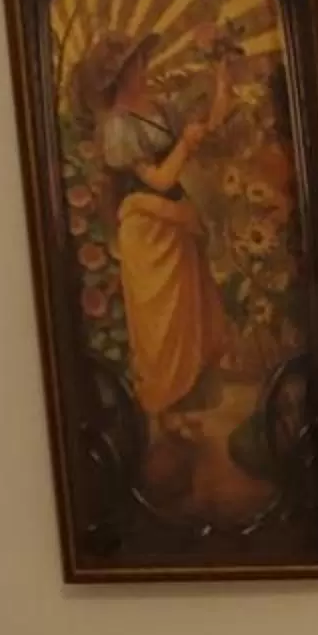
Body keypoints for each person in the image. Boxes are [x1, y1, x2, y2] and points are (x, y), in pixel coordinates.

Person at [82, 34, 234, 425]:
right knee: (160, 327)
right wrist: (185, 143)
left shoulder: (161, 109)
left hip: (175, 226)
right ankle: (163, 415)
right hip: (147, 232)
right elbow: (163, 179)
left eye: (141, 61)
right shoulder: (118, 127)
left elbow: (209, 123)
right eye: (135, 65)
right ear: (119, 76)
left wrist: (221, 77)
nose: (143, 70)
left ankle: (183, 413)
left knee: (188, 319)